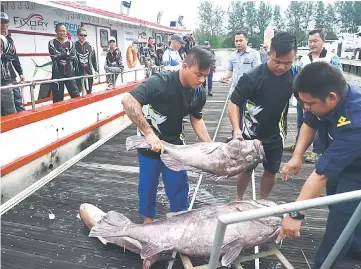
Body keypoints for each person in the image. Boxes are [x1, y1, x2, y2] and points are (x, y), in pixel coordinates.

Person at [278, 61, 361, 269]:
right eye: (303, 103)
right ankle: (355, 247)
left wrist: (296, 214)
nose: (306, 107)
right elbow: (310, 121)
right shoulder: (322, 99)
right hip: (338, 160)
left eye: (310, 103)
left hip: (357, 172)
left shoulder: (355, 119)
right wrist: (297, 155)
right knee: (337, 206)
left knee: (340, 222)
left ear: (332, 98)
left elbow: (321, 174)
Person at [121, 46, 214, 224]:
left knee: (179, 185)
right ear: (185, 67)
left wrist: (210, 145)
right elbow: (128, 100)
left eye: (205, 76)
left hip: (175, 143)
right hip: (149, 143)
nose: (202, 80)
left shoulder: (198, 92)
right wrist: (148, 133)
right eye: (198, 74)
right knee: (148, 185)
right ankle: (148, 221)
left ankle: (180, 223)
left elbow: (196, 118)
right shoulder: (160, 82)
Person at [228, 32, 299, 200]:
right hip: (249, 134)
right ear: (268, 54)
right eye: (277, 61)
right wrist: (237, 130)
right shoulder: (251, 77)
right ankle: (239, 199)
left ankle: (262, 201)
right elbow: (234, 103)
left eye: (288, 63)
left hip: (276, 135)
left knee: (271, 171)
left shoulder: (295, 76)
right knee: (245, 169)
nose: (282, 67)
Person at [284, 29, 343, 164]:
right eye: (310, 41)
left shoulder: (331, 58)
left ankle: (317, 150)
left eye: (315, 41)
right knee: (302, 122)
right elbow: (296, 76)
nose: (312, 44)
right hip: (303, 98)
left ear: (324, 41)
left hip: (320, 100)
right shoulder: (304, 58)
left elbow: (338, 80)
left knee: (320, 125)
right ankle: (299, 145)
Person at [220, 31, 261, 95]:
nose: (238, 43)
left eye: (241, 40)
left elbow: (258, 73)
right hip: (235, 90)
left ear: (246, 40)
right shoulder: (232, 55)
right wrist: (225, 77)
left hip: (249, 91)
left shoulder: (254, 54)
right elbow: (230, 70)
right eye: (236, 41)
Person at [1, 11, 26, 115]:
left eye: (6, 22)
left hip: (11, 76)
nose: (4, 25)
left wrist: (20, 72)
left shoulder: (10, 40)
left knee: (18, 100)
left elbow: (14, 57)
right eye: (1, 22)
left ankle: (23, 123)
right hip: (1, 80)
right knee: (6, 107)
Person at [48, 23, 80, 103]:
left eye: (64, 31)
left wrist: (61, 55)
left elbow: (73, 57)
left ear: (66, 32)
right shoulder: (51, 43)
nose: (62, 33)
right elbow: (53, 56)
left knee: (75, 95)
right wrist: (66, 55)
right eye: (60, 31)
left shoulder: (71, 43)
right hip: (57, 74)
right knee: (57, 98)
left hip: (70, 73)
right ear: (56, 31)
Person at [74, 27, 98, 94]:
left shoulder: (90, 46)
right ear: (78, 35)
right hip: (78, 72)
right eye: (81, 35)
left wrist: (96, 70)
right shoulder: (73, 46)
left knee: (89, 91)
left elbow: (94, 60)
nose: (83, 36)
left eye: (85, 35)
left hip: (89, 72)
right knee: (77, 92)